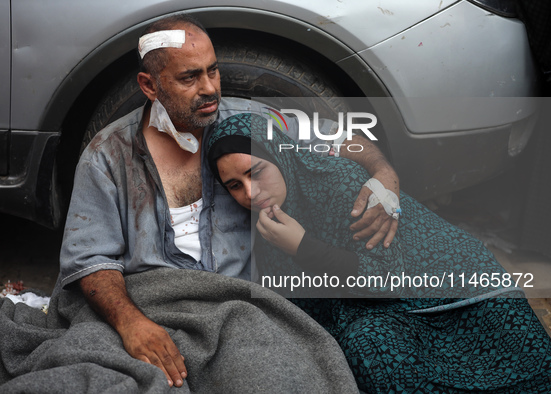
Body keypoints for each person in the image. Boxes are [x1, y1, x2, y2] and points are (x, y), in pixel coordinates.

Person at [59, 14, 400, 388]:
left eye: (213, 71)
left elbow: (342, 140)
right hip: (149, 306)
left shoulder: (252, 124)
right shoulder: (107, 155)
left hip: (241, 311)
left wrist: (385, 176)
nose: (209, 89)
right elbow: (91, 259)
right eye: (189, 77)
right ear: (149, 85)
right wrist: (132, 324)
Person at [206, 112, 551, 393]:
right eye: (235, 185)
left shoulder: (340, 184)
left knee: (368, 343)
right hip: (386, 311)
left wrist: (302, 247)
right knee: (365, 343)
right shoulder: (270, 217)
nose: (250, 192)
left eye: (257, 172)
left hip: (459, 302)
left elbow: (383, 281)